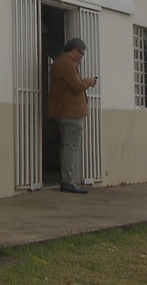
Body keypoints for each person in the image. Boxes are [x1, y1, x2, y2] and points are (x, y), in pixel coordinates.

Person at [48, 38, 97, 194]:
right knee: (71, 147)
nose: (81, 58)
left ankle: (66, 180)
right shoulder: (67, 63)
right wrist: (88, 82)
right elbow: (76, 86)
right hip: (71, 112)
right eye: (81, 55)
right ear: (74, 51)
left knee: (66, 146)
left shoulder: (58, 62)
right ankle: (68, 181)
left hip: (62, 111)